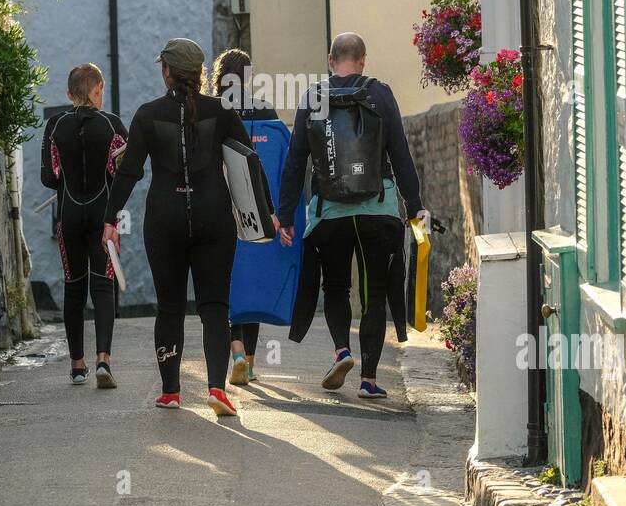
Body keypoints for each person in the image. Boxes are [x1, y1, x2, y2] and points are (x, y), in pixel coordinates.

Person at [102, 38, 263, 417]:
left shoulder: (146, 114)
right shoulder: (221, 110)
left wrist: (109, 219)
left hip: (164, 219)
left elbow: (128, 173)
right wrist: (263, 214)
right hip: (213, 216)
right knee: (214, 306)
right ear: (200, 73)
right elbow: (248, 163)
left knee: (170, 307)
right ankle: (215, 390)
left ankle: (171, 391)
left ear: (167, 71)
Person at [278, 32, 424, 399]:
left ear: (331, 61)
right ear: (362, 61)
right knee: (374, 291)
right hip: (377, 209)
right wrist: (414, 205)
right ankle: (369, 380)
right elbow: (401, 155)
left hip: (329, 214)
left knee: (336, 287)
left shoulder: (313, 97)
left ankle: (342, 351)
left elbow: (296, 161)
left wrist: (285, 214)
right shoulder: (379, 93)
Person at [211, 48, 305, 386]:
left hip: (218, 211)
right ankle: (248, 363)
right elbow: (284, 164)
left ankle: (235, 351)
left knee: (224, 286)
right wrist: (281, 214)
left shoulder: (211, 110)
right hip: (258, 213)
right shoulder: (266, 112)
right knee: (252, 283)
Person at [40, 63, 128, 388]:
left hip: (69, 214)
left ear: (69, 94)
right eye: (100, 89)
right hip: (102, 215)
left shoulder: (55, 125)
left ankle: (77, 365)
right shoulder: (113, 125)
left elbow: (48, 176)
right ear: (97, 90)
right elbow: (128, 171)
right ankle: (103, 359)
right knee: (103, 285)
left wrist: (68, 182)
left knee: (73, 286)